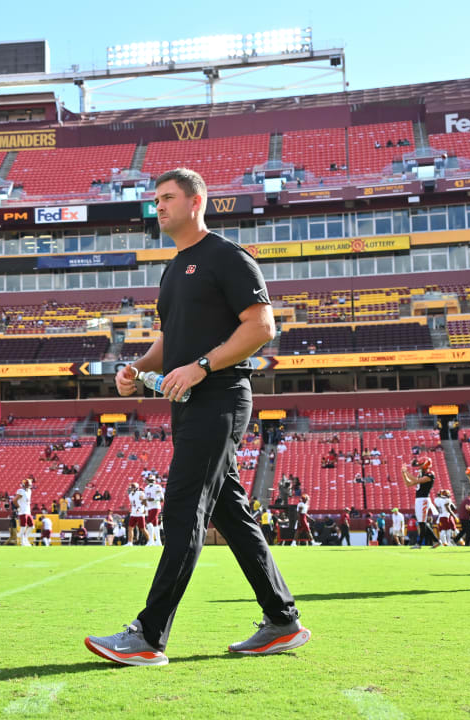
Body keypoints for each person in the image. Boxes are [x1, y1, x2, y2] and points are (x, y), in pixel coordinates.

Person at [85, 168, 307, 667]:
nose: (158, 207)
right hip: (186, 403)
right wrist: (138, 368)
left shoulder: (227, 257)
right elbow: (172, 339)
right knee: (231, 512)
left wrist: (203, 365)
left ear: (196, 201)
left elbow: (262, 326)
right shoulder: (174, 267)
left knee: (184, 509)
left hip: (222, 396)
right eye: (155, 200)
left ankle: (149, 634)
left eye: (167, 198)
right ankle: (282, 620)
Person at [400, 460, 439, 548]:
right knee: (422, 522)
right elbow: (408, 484)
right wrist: (404, 473)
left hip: (424, 499)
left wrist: (407, 471)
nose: (419, 466)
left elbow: (416, 480)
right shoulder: (421, 474)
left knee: (422, 522)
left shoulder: (430, 474)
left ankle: (419, 543)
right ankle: (436, 541)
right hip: (419, 500)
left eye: (421, 464)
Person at [143, 477, 165, 546]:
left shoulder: (157, 487)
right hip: (149, 507)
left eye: (152, 480)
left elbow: (162, 499)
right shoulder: (146, 488)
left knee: (148, 522)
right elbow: (146, 498)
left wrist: (154, 499)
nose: (150, 482)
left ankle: (151, 540)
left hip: (156, 507)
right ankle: (158, 541)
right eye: (149, 480)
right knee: (155, 525)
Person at [14, 477, 34, 546]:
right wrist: (19, 508)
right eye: (28, 484)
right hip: (22, 511)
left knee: (32, 526)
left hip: (28, 511)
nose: (29, 486)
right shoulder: (21, 491)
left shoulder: (29, 491)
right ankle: (22, 542)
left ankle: (25, 538)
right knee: (23, 527)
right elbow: (14, 500)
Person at [126, 482, 146, 546]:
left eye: (133, 487)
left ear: (136, 488)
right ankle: (130, 543)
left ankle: (150, 541)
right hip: (133, 513)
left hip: (140, 513)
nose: (131, 488)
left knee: (143, 529)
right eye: (131, 487)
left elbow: (144, 501)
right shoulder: (130, 494)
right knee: (130, 528)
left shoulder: (140, 493)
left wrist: (139, 508)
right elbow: (133, 503)